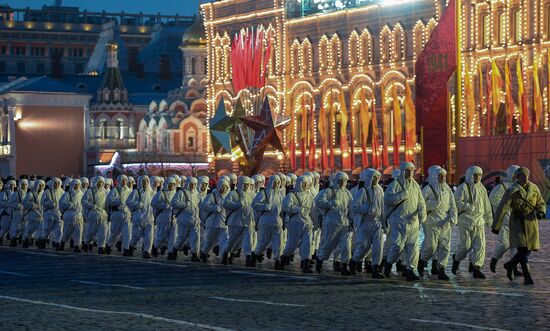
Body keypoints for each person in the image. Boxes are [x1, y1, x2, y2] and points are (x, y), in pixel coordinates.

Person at [492, 167, 546, 285]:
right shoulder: (512, 190)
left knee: (528, 250)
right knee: (522, 249)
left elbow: (540, 202)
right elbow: (502, 207)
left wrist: (541, 211)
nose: (525, 177)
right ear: (517, 177)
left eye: (527, 174)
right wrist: (496, 226)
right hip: (517, 223)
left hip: (531, 222)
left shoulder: (534, 188)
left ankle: (509, 265)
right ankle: (527, 276)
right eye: (522, 175)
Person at [383, 162, 426, 281]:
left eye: (412, 170)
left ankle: (410, 270)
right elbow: (387, 199)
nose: (410, 172)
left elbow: (420, 201)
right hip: (399, 221)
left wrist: (422, 214)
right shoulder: (395, 184)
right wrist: (402, 195)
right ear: (402, 171)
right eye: (407, 170)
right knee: (397, 245)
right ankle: (388, 263)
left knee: (413, 247)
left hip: (413, 221)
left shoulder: (415, 185)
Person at [452, 166, 493, 278]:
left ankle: (477, 267)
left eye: (479, 174)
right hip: (465, 221)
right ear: (470, 175)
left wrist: (489, 218)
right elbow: (455, 202)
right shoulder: (463, 188)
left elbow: (486, 205)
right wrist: (468, 207)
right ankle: (456, 259)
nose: (477, 177)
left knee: (480, 246)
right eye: (475, 174)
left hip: (479, 221)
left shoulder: (482, 188)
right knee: (466, 246)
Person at [417, 166, 457, 280]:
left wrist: (453, 217)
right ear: (435, 176)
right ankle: (422, 260)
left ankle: (442, 269)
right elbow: (421, 204)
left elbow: (453, 205)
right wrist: (433, 204)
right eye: (440, 176)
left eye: (444, 176)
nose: (443, 178)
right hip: (431, 222)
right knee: (431, 246)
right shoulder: (427, 189)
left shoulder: (447, 189)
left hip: (444, 221)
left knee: (444, 246)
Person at [314, 172, 353, 275]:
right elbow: (317, 201)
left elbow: (351, 208)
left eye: (345, 180)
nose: (343, 182)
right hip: (332, 223)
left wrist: (352, 221)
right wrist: (329, 204)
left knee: (345, 246)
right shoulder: (328, 191)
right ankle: (320, 259)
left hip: (345, 224)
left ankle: (344, 265)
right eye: (341, 180)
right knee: (328, 245)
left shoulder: (347, 193)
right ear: (336, 180)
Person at [349, 169, 385, 278]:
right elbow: (354, 206)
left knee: (378, 247)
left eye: (377, 177)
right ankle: (354, 261)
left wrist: (384, 221)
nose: (376, 179)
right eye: (374, 177)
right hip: (365, 222)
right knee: (364, 246)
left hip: (377, 222)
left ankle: (376, 268)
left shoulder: (380, 191)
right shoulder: (363, 191)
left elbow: (383, 207)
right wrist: (367, 208)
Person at [489, 165, 521, 275]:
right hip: (505, 220)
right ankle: (494, 259)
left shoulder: (520, 187)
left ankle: (514, 268)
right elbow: (493, 198)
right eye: (515, 174)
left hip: (517, 221)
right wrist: (505, 205)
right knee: (504, 244)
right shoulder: (501, 187)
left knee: (516, 246)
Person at [281, 175, 315, 273]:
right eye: (303, 184)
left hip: (307, 223)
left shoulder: (309, 196)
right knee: (292, 244)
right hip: (295, 222)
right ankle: (284, 257)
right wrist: (297, 209)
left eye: (306, 184)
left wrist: (315, 223)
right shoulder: (291, 195)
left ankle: (305, 263)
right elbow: (286, 207)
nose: (305, 186)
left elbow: (313, 211)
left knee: (307, 244)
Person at [251, 175, 284, 269]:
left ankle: (277, 260)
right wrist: (264, 206)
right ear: (271, 182)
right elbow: (254, 204)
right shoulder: (264, 193)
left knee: (279, 242)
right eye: (275, 182)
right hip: (266, 221)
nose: (276, 184)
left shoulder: (280, 194)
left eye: (278, 183)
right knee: (263, 242)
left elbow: (283, 208)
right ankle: (255, 255)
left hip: (277, 222)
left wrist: (284, 220)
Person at [221, 176, 254, 266]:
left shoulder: (251, 194)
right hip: (236, 222)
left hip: (248, 222)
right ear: (240, 184)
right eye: (244, 184)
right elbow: (225, 203)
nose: (246, 186)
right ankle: (225, 254)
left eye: (248, 184)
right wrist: (237, 205)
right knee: (232, 240)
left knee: (248, 241)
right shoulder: (233, 193)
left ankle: (248, 258)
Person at [169, 177, 201, 262]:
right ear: (187, 184)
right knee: (181, 238)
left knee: (195, 238)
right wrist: (184, 204)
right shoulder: (181, 193)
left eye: (194, 184)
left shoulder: (196, 194)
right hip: (184, 220)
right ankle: (174, 251)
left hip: (195, 220)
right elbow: (173, 203)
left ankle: (194, 254)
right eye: (191, 184)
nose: (192, 186)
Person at [200, 178, 230, 263]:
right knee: (210, 241)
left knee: (225, 241)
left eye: (226, 187)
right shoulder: (212, 195)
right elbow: (204, 206)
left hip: (224, 223)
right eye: (222, 187)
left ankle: (224, 256)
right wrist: (213, 208)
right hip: (213, 223)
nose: (224, 189)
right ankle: (204, 252)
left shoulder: (228, 196)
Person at [127, 175, 156, 258]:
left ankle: (147, 251)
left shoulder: (152, 193)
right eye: (143, 181)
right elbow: (128, 202)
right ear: (140, 182)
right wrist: (137, 204)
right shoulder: (136, 192)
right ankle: (131, 247)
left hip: (149, 218)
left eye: (146, 181)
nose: (145, 182)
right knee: (136, 236)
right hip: (139, 218)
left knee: (149, 237)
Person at [151, 177, 177, 257]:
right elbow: (153, 203)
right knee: (161, 237)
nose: (171, 186)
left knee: (173, 237)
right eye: (170, 184)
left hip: (173, 219)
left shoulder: (176, 193)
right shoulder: (161, 193)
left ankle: (170, 253)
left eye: (173, 184)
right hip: (163, 218)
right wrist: (163, 206)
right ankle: (155, 247)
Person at [106, 175, 132, 254]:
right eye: (122, 180)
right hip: (117, 214)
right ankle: (109, 246)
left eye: (125, 180)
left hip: (126, 214)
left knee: (127, 232)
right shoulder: (114, 190)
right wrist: (117, 202)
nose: (123, 182)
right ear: (119, 181)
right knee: (115, 233)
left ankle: (126, 249)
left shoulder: (129, 191)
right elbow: (109, 200)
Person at [59, 179, 84, 253]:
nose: (77, 186)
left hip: (79, 215)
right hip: (69, 215)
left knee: (79, 231)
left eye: (78, 184)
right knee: (67, 231)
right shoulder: (67, 194)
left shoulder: (81, 194)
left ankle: (77, 246)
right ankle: (63, 243)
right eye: (75, 184)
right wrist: (70, 205)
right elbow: (61, 203)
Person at [39, 178, 64, 249]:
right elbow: (42, 202)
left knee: (59, 229)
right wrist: (49, 204)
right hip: (49, 213)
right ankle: (43, 240)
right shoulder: (47, 191)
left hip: (58, 213)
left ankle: (57, 242)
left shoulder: (62, 192)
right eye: (55, 183)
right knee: (47, 228)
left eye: (58, 183)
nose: (57, 185)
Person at [22, 180, 45, 248]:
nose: (41, 187)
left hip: (41, 215)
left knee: (42, 228)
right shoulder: (31, 193)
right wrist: (32, 205)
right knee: (30, 229)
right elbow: (24, 203)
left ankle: (40, 242)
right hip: (33, 215)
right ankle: (26, 239)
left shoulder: (44, 194)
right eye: (40, 185)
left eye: (42, 185)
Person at [8, 179, 28, 247]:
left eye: (25, 184)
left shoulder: (28, 193)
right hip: (18, 213)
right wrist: (17, 205)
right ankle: (13, 240)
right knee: (17, 228)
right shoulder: (16, 193)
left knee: (26, 228)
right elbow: (10, 203)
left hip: (26, 213)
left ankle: (24, 242)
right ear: (20, 185)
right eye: (22, 184)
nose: (24, 186)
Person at [0, 180, 16, 245]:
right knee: (4, 227)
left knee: (13, 228)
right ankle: (1, 238)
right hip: (6, 213)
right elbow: (1, 203)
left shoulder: (15, 193)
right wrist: (8, 204)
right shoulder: (3, 193)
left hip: (13, 213)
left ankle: (12, 240)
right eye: (11, 184)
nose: (12, 186)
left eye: (13, 185)